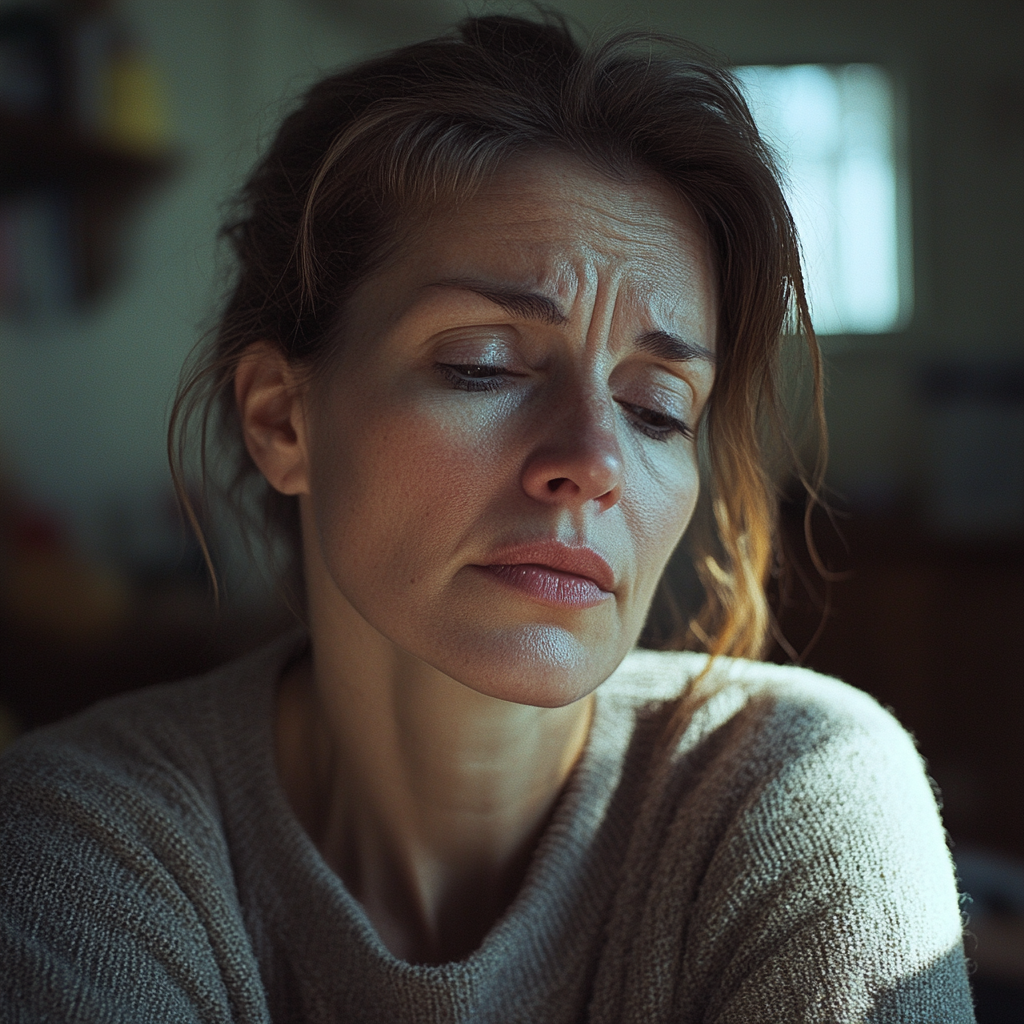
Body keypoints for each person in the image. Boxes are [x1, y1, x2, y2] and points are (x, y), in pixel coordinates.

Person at [0, 14, 974, 1023]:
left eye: (656, 408)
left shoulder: (800, 788)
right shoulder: (72, 839)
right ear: (282, 420)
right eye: (484, 365)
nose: (593, 463)